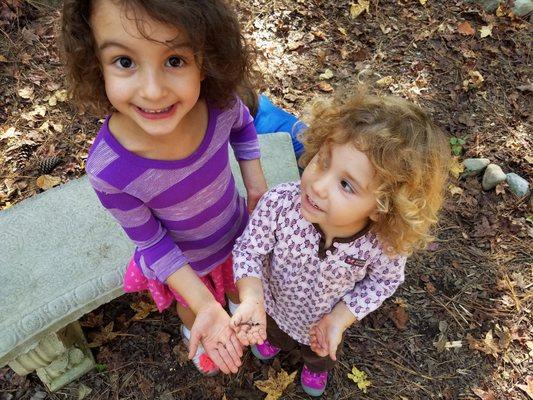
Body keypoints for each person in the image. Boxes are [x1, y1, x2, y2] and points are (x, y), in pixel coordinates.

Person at [60, 0, 268, 376]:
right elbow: (153, 243)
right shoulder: (110, 171)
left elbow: (243, 125)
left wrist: (255, 181)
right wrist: (205, 306)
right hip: (183, 268)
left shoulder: (219, 106)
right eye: (124, 61)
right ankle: (203, 330)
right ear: (94, 62)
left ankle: (248, 323)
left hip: (237, 235)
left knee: (242, 290)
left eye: (174, 60)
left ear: (206, 58)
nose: (153, 91)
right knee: (194, 307)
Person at [230, 88, 450, 396]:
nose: (318, 185)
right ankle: (272, 340)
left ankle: (315, 367)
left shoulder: (381, 243)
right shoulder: (279, 204)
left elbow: (384, 282)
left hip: (324, 323)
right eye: (323, 161)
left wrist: (340, 319)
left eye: (346, 184)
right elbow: (249, 249)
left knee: (319, 352)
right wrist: (252, 297)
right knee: (275, 334)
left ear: (384, 205)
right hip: (274, 305)